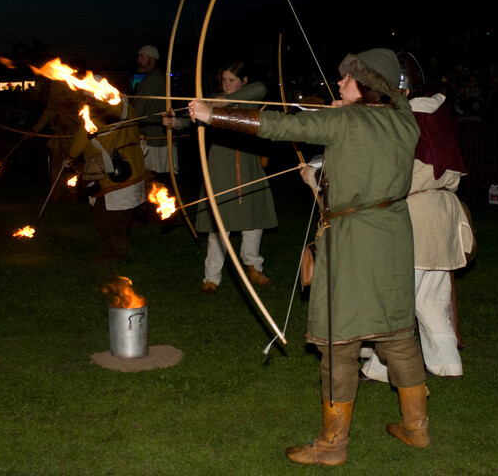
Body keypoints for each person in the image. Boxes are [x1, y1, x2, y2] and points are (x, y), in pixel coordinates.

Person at [189, 48, 428, 465]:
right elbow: (398, 98)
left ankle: (333, 446)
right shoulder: (405, 120)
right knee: (398, 335)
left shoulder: (344, 120)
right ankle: (416, 428)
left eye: (347, 79)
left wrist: (214, 115)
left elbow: (278, 125)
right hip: (394, 233)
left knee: (340, 342)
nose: (338, 84)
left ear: (366, 85)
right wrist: (355, 103)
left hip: (354, 240)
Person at [360, 51, 474, 383]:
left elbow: (397, 176)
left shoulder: (409, 119)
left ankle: (382, 368)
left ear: (403, 91)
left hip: (418, 217)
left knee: (397, 298)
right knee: (429, 300)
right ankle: (447, 364)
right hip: (443, 215)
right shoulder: (435, 115)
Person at [166, 61, 278, 294]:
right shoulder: (213, 102)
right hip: (220, 165)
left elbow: (260, 87)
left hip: (249, 163)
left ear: (243, 81)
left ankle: (253, 267)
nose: (226, 85)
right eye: (224, 80)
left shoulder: (250, 96)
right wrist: (176, 122)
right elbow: (193, 118)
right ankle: (212, 277)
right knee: (219, 222)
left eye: (232, 80)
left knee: (253, 219)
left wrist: (224, 102)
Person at [63, 85, 146, 262]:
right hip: (132, 165)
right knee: (119, 215)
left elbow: (82, 137)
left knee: (109, 217)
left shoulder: (96, 111)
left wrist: (70, 157)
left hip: (112, 172)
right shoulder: (125, 105)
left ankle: (116, 253)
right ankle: (116, 250)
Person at [132, 45, 180, 184]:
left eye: (142, 56)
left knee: (155, 179)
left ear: (152, 58)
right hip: (157, 134)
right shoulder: (154, 77)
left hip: (156, 136)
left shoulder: (154, 79)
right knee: (157, 178)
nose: (138, 60)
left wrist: (128, 118)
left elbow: (139, 109)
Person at [28, 79, 81, 201]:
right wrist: (34, 130)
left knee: (75, 166)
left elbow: (81, 121)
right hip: (60, 138)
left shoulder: (77, 100)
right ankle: (56, 194)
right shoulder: (54, 104)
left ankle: (73, 192)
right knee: (57, 165)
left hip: (76, 138)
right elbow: (46, 115)